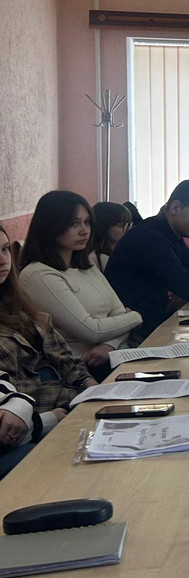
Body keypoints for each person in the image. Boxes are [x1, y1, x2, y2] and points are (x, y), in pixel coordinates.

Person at [0, 223, 97, 470]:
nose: (2, 260)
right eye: (74, 223)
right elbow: (12, 400)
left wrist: (89, 385)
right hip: (40, 418)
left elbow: (63, 355)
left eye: (4, 249)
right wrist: (51, 418)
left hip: (69, 402)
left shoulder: (18, 304)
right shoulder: (40, 274)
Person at [18, 191, 142, 381]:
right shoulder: (39, 274)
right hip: (82, 370)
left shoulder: (86, 263)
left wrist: (110, 345)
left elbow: (118, 312)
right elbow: (91, 330)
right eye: (74, 224)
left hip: (116, 354)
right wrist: (136, 317)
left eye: (87, 222)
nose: (84, 231)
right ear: (51, 226)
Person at [105, 179, 189, 341]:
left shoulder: (171, 234)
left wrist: (188, 289)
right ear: (175, 207)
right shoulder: (150, 238)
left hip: (155, 323)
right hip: (133, 334)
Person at [87, 201, 132, 270]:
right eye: (122, 225)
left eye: (129, 225)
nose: (128, 229)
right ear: (105, 227)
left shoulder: (124, 253)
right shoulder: (94, 259)